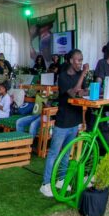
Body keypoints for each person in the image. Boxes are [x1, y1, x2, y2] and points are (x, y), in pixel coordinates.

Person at [40, 49, 88, 197]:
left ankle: (61, 179)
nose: (80, 63)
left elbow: (83, 91)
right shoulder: (63, 76)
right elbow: (73, 93)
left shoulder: (80, 75)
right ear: (70, 61)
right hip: (63, 121)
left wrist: (82, 89)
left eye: (81, 60)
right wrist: (82, 77)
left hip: (75, 120)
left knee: (67, 153)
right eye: (77, 60)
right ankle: (45, 184)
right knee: (54, 153)